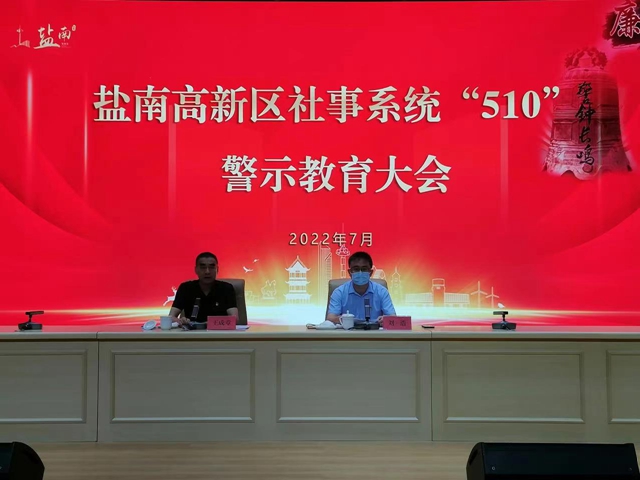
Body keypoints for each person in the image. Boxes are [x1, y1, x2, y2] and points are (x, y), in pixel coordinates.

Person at [169, 252, 239, 325]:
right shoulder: (186, 288)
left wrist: (208, 324)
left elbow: (235, 319)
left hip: (219, 331)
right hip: (192, 331)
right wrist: (180, 321)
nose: (207, 272)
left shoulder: (226, 288)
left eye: (211, 267)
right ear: (196, 270)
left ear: (217, 269)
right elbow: (170, 317)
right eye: (203, 267)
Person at [326, 251, 396, 323]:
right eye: (356, 269)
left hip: (374, 330)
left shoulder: (381, 291)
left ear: (371, 272)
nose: (360, 272)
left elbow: (393, 317)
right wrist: (349, 320)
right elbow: (331, 318)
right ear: (350, 272)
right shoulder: (339, 292)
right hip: (348, 330)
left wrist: (386, 319)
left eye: (364, 269)